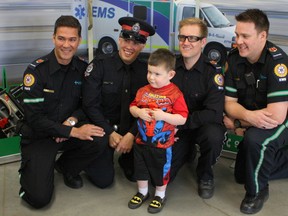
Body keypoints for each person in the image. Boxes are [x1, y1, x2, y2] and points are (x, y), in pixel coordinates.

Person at [18, 15, 113, 209]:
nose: (66, 45)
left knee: (99, 138)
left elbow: (87, 104)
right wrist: (70, 131)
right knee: (38, 199)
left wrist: (72, 121)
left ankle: (66, 167)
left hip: (68, 128)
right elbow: (34, 118)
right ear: (53, 38)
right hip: (41, 135)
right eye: (61, 38)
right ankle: (30, 170)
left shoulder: (83, 68)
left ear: (79, 40)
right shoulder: (36, 71)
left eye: (72, 39)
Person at [224, 9, 288, 214]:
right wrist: (249, 116)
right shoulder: (234, 59)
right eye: (237, 35)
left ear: (263, 36)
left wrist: (240, 123)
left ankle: (257, 192)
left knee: (255, 140)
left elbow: (276, 116)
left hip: (281, 120)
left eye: (245, 36)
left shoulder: (278, 62)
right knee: (241, 174)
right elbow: (229, 103)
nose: (238, 41)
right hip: (255, 118)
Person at [82, 17, 155, 182]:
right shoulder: (100, 65)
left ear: (143, 45)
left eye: (136, 42)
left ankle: (126, 159)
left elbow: (150, 108)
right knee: (103, 181)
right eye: (126, 40)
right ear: (119, 39)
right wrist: (109, 132)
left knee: (138, 175)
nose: (129, 46)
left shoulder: (147, 72)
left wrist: (131, 134)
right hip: (104, 129)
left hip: (132, 132)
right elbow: (90, 105)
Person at [127, 48, 188, 213]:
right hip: (141, 141)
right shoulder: (143, 91)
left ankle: (160, 195)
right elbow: (132, 107)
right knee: (141, 169)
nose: (151, 77)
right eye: (149, 72)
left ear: (171, 74)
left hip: (162, 145)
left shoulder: (175, 94)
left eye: (157, 74)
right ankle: (142, 192)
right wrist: (139, 112)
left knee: (161, 170)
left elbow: (182, 118)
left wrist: (163, 116)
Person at [171, 18, 226, 199]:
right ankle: (187, 152)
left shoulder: (213, 73)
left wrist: (183, 123)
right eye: (182, 37)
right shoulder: (170, 68)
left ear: (203, 42)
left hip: (202, 125)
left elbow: (213, 112)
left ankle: (205, 175)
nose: (186, 43)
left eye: (192, 38)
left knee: (213, 136)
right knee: (165, 176)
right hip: (177, 127)